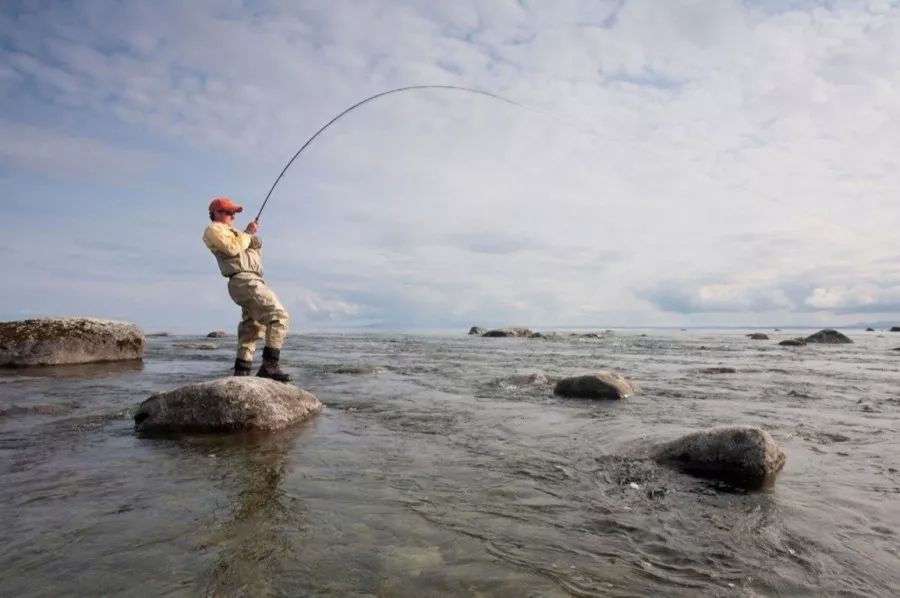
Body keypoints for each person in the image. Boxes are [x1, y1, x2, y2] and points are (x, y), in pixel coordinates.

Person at [202, 197, 291, 382]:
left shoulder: (234, 232)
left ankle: (241, 373)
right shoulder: (213, 230)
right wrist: (249, 234)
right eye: (227, 212)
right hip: (243, 281)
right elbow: (232, 248)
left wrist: (252, 241)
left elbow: (242, 248)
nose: (232, 216)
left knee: (251, 328)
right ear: (216, 213)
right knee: (279, 316)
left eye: (233, 213)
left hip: (252, 279)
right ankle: (269, 366)